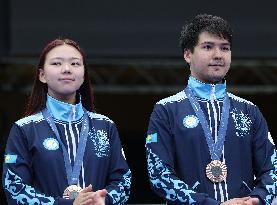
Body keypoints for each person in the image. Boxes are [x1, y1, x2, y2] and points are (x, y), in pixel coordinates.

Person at [145, 14, 277, 205]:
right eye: (208, 47)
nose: (218, 55)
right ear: (187, 54)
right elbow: (158, 175)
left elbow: (272, 169)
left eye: (225, 48)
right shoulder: (166, 110)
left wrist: (257, 200)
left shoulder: (249, 111)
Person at [2, 38, 131, 205]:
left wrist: (104, 200)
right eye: (56, 63)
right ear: (42, 75)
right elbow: (15, 189)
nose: (67, 69)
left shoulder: (105, 126)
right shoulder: (25, 129)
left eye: (75, 64)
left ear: (84, 75)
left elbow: (123, 180)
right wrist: (65, 204)